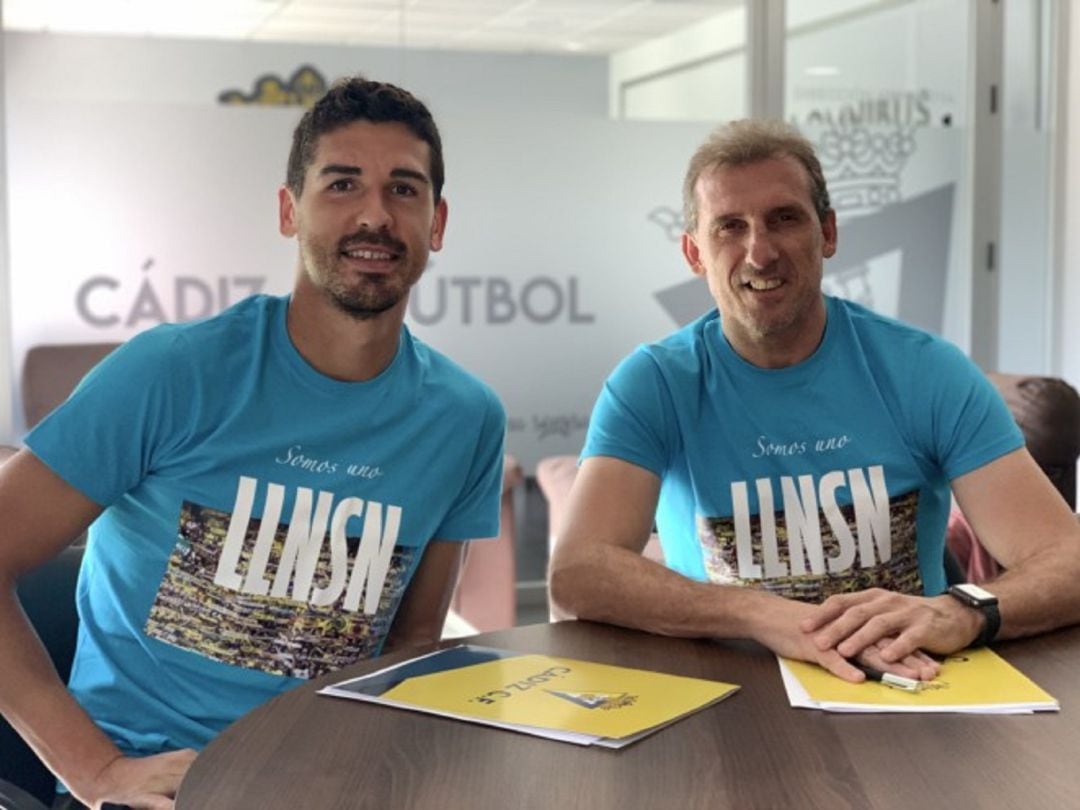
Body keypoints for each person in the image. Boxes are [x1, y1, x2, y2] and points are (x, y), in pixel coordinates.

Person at [0, 76, 505, 809]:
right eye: (341, 184)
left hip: (327, 781)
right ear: (289, 210)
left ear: (437, 221)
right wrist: (97, 772)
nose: (375, 214)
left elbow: (410, 638)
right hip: (157, 786)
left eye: (404, 189)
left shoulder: (466, 418)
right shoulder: (173, 372)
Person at [549, 118, 1080, 688]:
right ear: (694, 253)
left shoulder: (927, 372)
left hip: (910, 694)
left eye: (785, 219)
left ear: (827, 233)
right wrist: (758, 612)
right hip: (726, 695)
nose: (759, 252)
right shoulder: (652, 384)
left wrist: (959, 610)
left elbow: (1067, 559)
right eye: (730, 226)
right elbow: (578, 571)